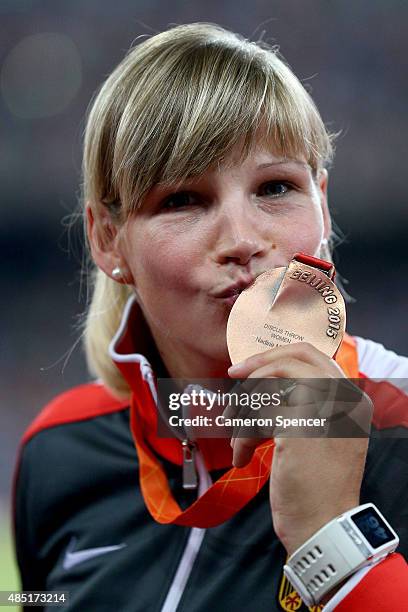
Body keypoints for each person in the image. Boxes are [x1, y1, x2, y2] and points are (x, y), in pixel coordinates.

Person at [13, 22, 408, 611]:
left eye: (276, 188)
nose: (243, 240)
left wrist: (332, 542)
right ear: (108, 240)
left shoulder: (399, 423)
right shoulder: (56, 452)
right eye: (183, 200)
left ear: (322, 204)